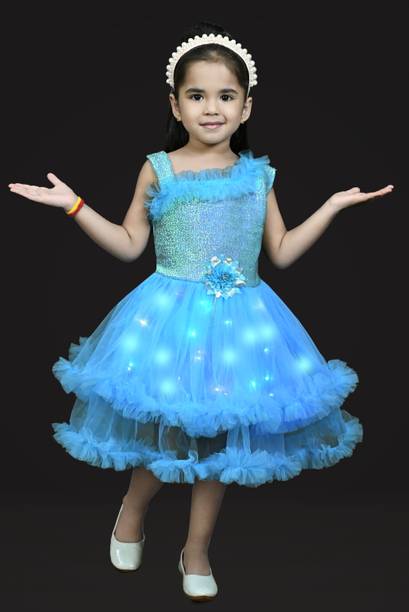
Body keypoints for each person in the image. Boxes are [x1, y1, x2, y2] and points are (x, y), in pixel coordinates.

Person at [8, 20, 394, 602]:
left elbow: (282, 251)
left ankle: (196, 549)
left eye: (226, 96)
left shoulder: (258, 175)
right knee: (167, 431)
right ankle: (132, 508)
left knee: (219, 441)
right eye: (197, 95)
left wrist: (332, 206)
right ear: (176, 105)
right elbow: (129, 246)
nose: (211, 108)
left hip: (242, 325)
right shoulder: (159, 168)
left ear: (246, 107)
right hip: (169, 318)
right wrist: (75, 205)